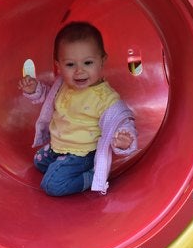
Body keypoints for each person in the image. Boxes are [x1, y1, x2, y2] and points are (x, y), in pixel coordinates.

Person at [19, 21, 137, 196]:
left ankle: (91, 175)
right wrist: (34, 89)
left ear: (102, 61)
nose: (79, 71)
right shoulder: (62, 84)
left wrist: (125, 139)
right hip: (58, 145)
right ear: (58, 66)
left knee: (52, 184)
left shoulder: (104, 98)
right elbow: (48, 97)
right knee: (38, 162)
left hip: (83, 154)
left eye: (88, 63)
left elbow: (121, 119)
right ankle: (61, 160)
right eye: (70, 65)